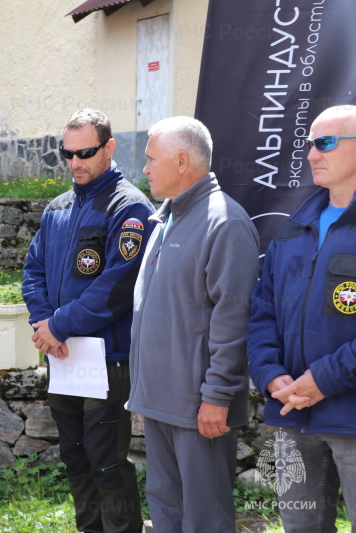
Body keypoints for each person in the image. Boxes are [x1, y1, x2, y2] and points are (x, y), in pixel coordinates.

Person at [22, 108, 154, 533]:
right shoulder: (57, 208)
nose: (75, 162)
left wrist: (57, 326)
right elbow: (33, 270)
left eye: (86, 152)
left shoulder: (129, 206)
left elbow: (116, 286)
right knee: (75, 456)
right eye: (68, 153)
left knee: (106, 462)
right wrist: (44, 322)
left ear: (109, 148)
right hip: (62, 356)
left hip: (107, 357)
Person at [127, 116, 260, 533]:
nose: (144, 169)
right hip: (160, 401)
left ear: (182, 161)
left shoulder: (225, 222)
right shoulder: (165, 218)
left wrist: (217, 397)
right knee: (166, 512)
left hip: (199, 408)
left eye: (151, 159)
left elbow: (233, 318)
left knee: (204, 519)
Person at [248, 105, 356, 532]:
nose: (312, 154)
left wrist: (323, 380)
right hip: (291, 412)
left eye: (325, 142)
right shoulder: (294, 227)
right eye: (309, 143)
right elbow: (261, 312)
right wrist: (270, 374)